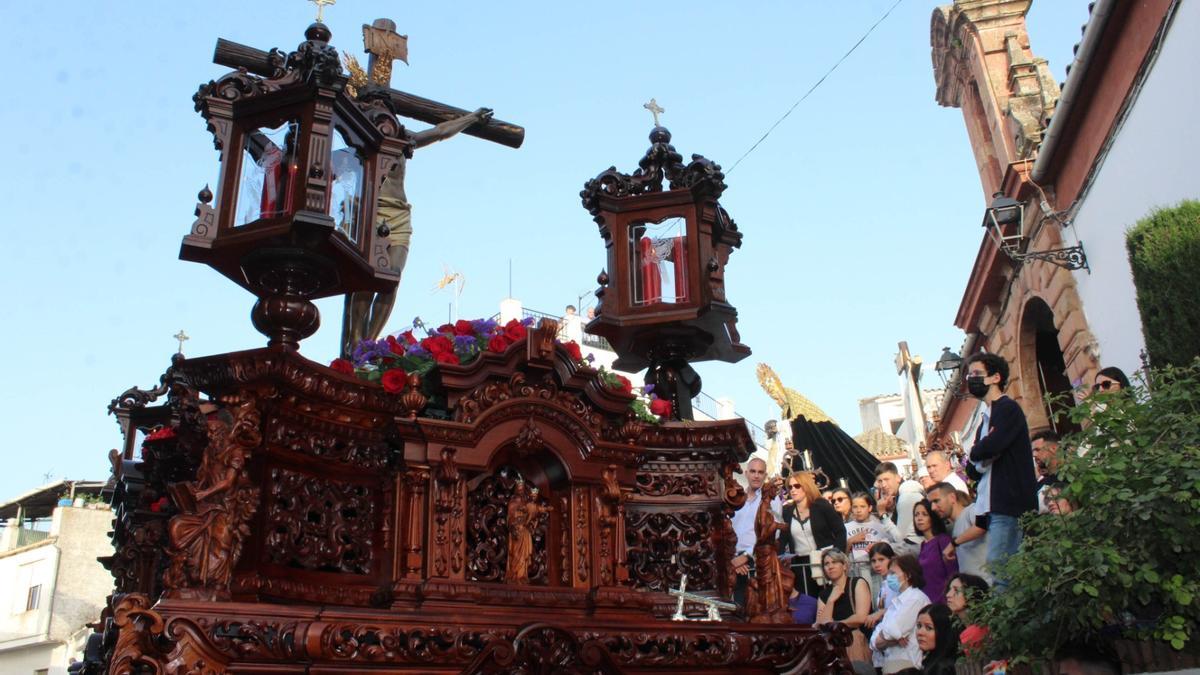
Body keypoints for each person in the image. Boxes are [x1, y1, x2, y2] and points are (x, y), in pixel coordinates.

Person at [340, 107, 494, 357]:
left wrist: (472, 118)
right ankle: (356, 342)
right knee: (366, 276)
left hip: (400, 216)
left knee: (392, 279)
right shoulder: (360, 140)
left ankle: (369, 343)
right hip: (370, 211)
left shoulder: (403, 140)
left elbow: (440, 132)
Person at [963, 352, 1037, 589]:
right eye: (969, 375)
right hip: (993, 505)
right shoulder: (985, 420)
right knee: (1000, 568)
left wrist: (979, 453)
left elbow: (989, 447)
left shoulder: (1007, 409)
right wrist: (981, 454)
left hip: (1009, 502)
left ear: (995, 377)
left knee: (1001, 568)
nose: (971, 379)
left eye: (977, 374)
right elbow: (973, 469)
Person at [780, 471, 847, 599]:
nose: (793, 490)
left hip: (824, 561)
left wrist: (836, 555)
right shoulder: (787, 511)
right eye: (790, 487)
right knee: (808, 601)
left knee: (829, 599)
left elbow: (840, 531)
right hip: (800, 566)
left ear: (806, 485)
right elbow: (783, 539)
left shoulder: (821, 506)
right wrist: (781, 558)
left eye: (797, 486)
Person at [731, 458, 780, 607]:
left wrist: (746, 557)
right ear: (746, 473)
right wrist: (734, 559)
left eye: (760, 472)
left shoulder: (772, 499)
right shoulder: (736, 499)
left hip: (757, 561)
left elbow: (774, 534)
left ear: (765, 475)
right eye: (753, 471)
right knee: (737, 609)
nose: (756, 476)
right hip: (733, 561)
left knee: (758, 609)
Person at [870, 554, 931, 674]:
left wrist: (887, 636)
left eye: (893, 573)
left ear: (907, 575)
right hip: (891, 664)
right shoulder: (896, 601)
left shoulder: (915, 599)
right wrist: (891, 639)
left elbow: (890, 632)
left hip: (908, 665)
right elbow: (874, 642)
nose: (889, 577)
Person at [816, 549, 872, 663]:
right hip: (832, 645)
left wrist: (834, 624)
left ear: (845, 566)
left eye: (835, 562)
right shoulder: (824, 594)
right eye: (826, 564)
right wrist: (831, 600)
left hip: (853, 640)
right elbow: (821, 625)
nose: (830, 566)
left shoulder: (857, 583)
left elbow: (860, 618)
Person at [927, 482, 989, 582]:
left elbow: (981, 526)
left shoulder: (971, 510)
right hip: (973, 589)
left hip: (988, 584)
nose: (933, 508)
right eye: (931, 503)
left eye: (936, 501)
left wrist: (954, 543)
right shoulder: (956, 525)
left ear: (952, 497)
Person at [846, 492, 901, 584]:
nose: (858, 510)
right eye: (855, 507)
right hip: (855, 570)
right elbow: (841, 554)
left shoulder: (880, 526)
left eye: (862, 506)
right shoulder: (845, 527)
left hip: (876, 570)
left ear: (870, 508)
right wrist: (850, 541)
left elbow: (895, 545)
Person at [874, 462, 925, 555]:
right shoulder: (900, 496)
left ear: (898, 478)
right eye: (880, 481)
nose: (883, 485)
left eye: (886, 479)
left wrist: (882, 514)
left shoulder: (906, 497)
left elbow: (900, 538)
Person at [913, 499, 957, 604]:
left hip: (942, 602)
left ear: (933, 517)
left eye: (924, 514)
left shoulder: (943, 540)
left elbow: (953, 572)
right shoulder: (923, 545)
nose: (919, 518)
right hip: (927, 602)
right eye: (916, 515)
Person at [945, 573, 990, 656]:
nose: (948, 595)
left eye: (956, 590)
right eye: (949, 589)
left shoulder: (976, 632)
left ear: (973, 595)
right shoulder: (956, 627)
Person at [915, 603, 959, 675]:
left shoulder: (944, 669)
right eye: (919, 626)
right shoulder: (931, 661)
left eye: (929, 628)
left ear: (944, 631)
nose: (920, 632)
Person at [863, 542, 897, 633]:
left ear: (891, 559)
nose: (877, 565)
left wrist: (880, 613)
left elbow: (902, 607)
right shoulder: (883, 584)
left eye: (881, 559)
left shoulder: (897, 583)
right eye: (873, 561)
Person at [1032, 430, 1063, 513]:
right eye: (1033, 451)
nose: (1034, 454)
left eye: (1037, 450)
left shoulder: (1068, 478)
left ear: (1053, 449)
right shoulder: (1040, 481)